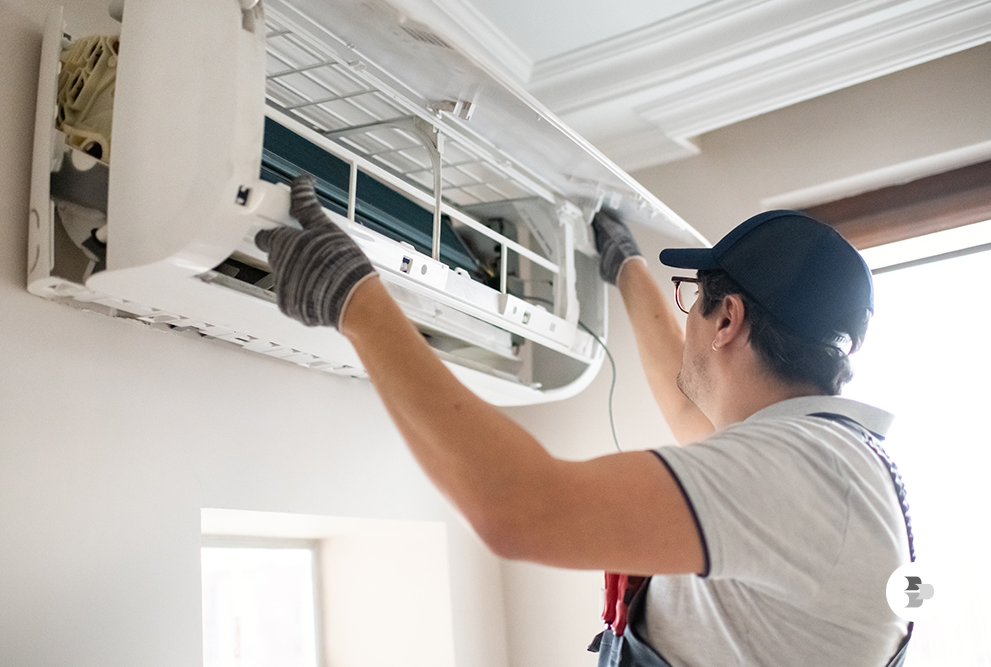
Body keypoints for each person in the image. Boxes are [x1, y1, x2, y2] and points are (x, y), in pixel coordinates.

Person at [256, 175, 912, 666]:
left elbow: (519, 509)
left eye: (693, 301)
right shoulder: (821, 460)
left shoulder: (803, 470)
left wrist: (355, 303)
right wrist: (624, 264)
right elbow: (685, 403)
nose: (686, 319)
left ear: (729, 320)